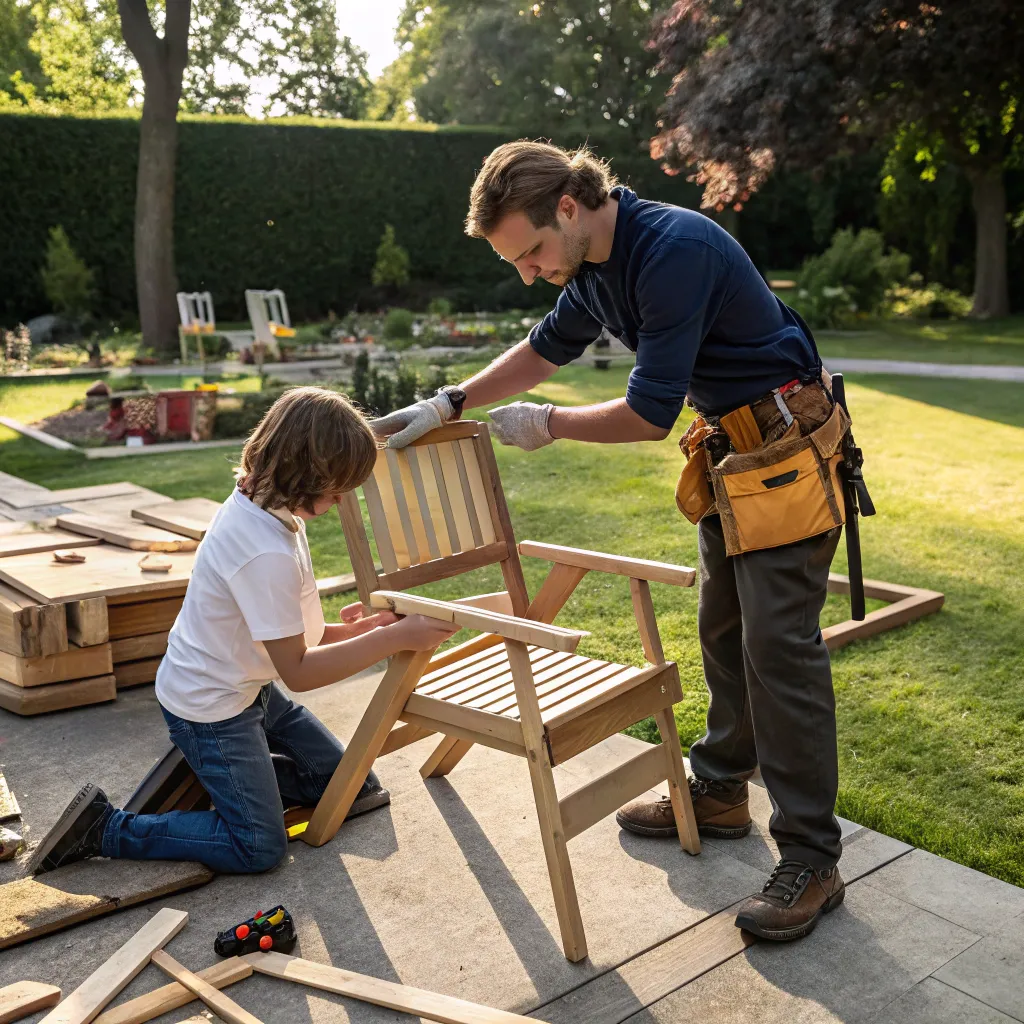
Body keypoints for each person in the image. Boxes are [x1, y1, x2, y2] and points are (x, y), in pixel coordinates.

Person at [370, 141, 847, 942]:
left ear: (568, 207)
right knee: (724, 631)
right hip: (733, 453)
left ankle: (813, 858)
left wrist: (549, 425)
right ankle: (723, 790)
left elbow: (647, 413)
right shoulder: (590, 266)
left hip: (786, 453)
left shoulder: (672, 252)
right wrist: (451, 401)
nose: (528, 272)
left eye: (530, 253)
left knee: (780, 647)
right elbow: (543, 349)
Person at [29, 387, 456, 876]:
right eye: (336, 488)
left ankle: (226, 777)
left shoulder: (264, 504)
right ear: (304, 472)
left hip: (249, 686)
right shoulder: (263, 549)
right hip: (211, 708)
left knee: (352, 786)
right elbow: (298, 671)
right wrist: (396, 638)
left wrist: (352, 631)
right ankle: (108, 828)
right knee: (259, 846)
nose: (341, 501)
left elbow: (286, 637)